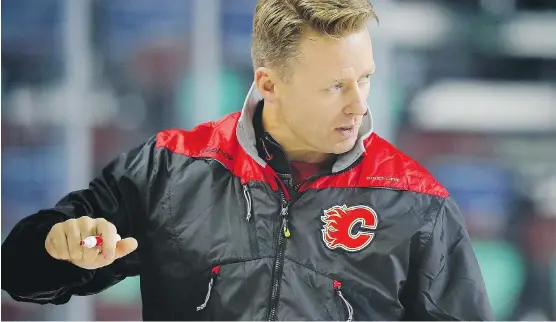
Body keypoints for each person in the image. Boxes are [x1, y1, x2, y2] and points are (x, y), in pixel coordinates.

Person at [1, 0, 494, 320]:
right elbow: (17, 271)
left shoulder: (417, 202)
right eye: (334, 86)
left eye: (364, 78)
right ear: (269, 84)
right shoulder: (170, 168)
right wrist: (55, 245)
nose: (359, 104)